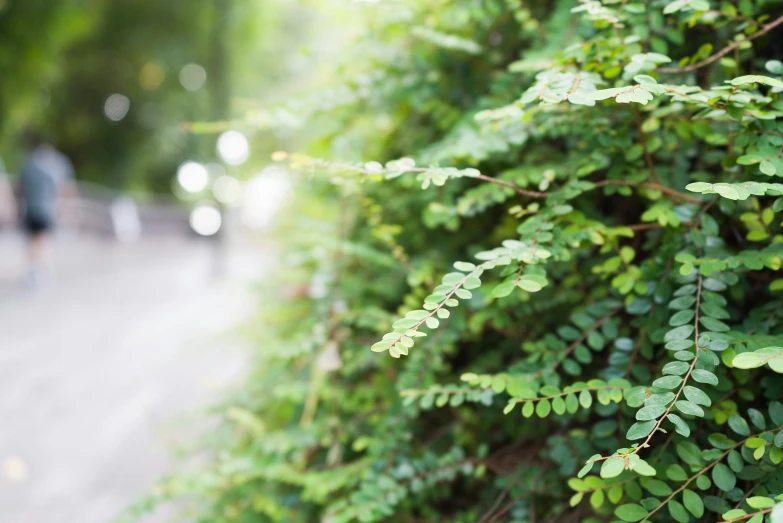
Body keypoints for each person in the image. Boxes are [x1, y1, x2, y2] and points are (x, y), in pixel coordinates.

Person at [17, 133, 76, 287]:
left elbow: (20, 189)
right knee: (43, 242)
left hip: (29, 211)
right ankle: (40, 272)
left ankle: (34, 270)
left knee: (32, 241)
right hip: (46, 211)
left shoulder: (28, 164)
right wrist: (67, 210)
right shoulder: (57, 165)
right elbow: (65, 189)